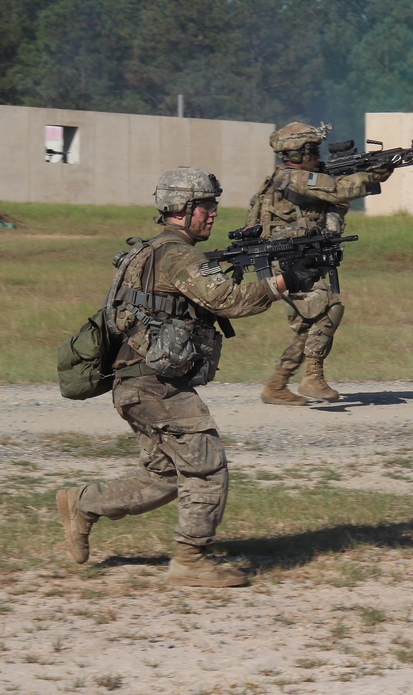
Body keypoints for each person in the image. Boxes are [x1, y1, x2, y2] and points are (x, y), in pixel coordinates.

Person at [56, 167, 295, 587]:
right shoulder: (178, 255)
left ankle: (83, 504)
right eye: (206, 206)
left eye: (214, 205)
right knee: (206, 465)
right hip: (154, 385)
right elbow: (227, 300)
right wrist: (278, 284)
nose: (213, 214)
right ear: (182, 209)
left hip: (137, 383)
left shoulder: (149, 251)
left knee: (163, 476)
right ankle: (191, 561)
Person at [246, 121, 392, 406]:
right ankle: (312, 378)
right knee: (329, 307)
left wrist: (367, 176)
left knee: (308, 328)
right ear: (297, 154)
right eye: (311, 150)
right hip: (284, 264)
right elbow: (337, 190)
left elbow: (333, 202)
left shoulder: (302, 178)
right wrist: (371, 175)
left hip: (295, 261)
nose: (317, 156)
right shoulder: (292, 177)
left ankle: (276, 385)